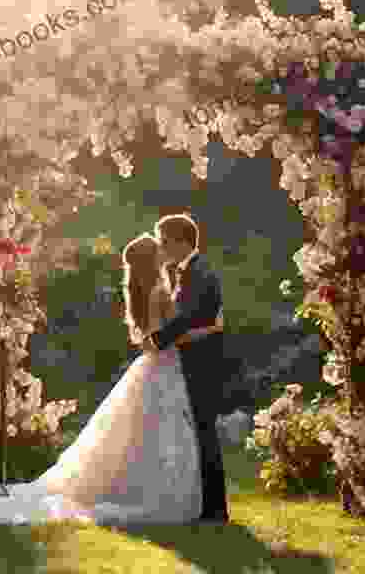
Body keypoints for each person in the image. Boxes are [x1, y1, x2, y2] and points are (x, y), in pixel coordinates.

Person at [0, 229, 224, 527]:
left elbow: (147, 339)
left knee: (140, 432)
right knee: (164, 429)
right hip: (165, 365)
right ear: (153, 260)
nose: (165, 252)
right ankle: (159, 494)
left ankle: (129, 486)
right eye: (159, 250)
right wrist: (211, 329)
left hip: (151, 365)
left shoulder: (142, 293)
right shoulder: (161, 293)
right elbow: (169, 337)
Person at [144, 213, 229, 524]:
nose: (162, 247)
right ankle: (207, 506)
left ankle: (215, 510)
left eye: (164, 241)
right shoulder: (188, 271)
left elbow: (191, 315)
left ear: (181, 241)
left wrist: (158, 339)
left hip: (202, 363)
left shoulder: (200, 271)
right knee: (200, 431)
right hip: (194, 359)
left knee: (204, 432)